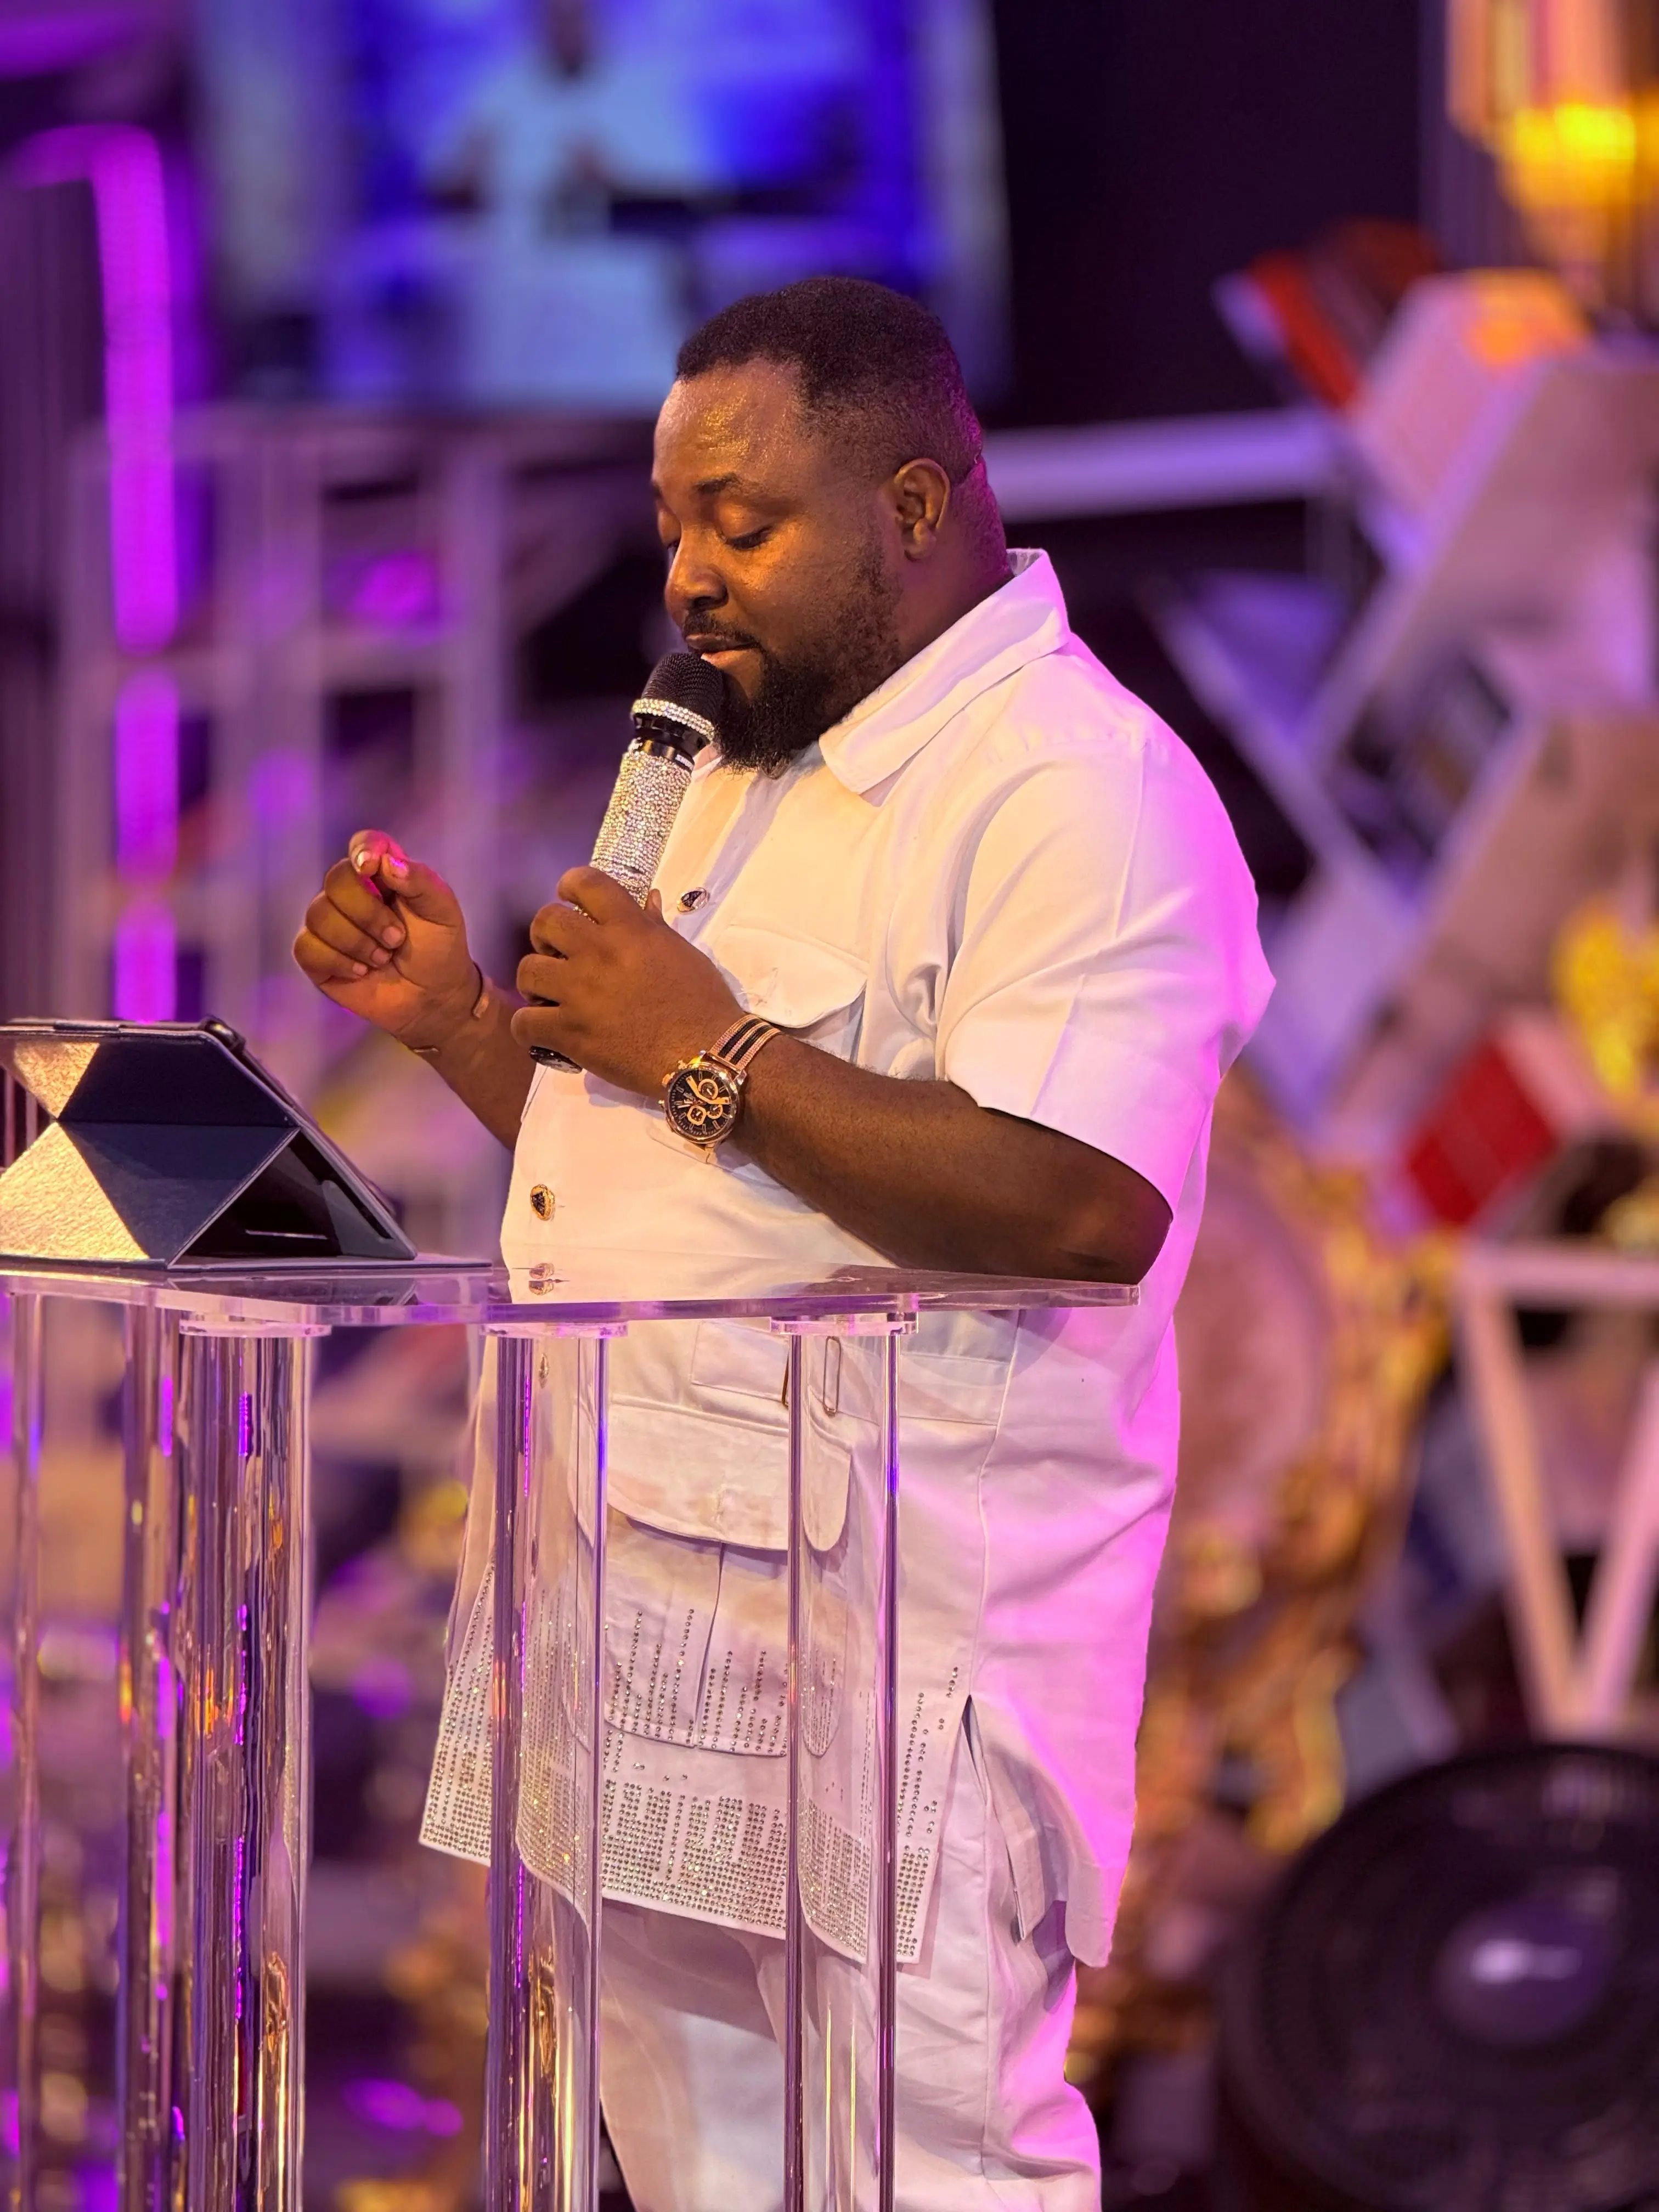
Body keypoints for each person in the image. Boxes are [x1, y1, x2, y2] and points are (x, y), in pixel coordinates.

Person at [294, 274, 1272, 2212]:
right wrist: (467, 1026)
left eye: (742, 524)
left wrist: (703, 1039)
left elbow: (1085, 1203)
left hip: (889, 1669)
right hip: (634, 1617)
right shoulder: (727, 766)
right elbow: (673, 1174)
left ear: (915, 506)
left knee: (927, 2180)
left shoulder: (1082, 788)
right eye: (672, 526)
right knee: (700, 2176)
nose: (690, 574)